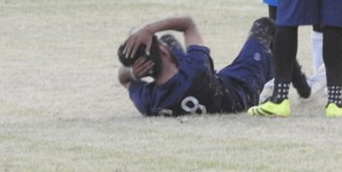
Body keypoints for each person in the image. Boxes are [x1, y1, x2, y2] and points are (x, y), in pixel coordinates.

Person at [117, 15, 275, 116]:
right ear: (162, 51)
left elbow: (123, 78)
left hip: (206, 88)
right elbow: (188, 24)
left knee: (168, 38)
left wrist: (134, 73)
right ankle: (285, 84)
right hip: (240, 90)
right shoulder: (195, 68)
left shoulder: (149, 101)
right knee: (264, 25)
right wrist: (149, 29)